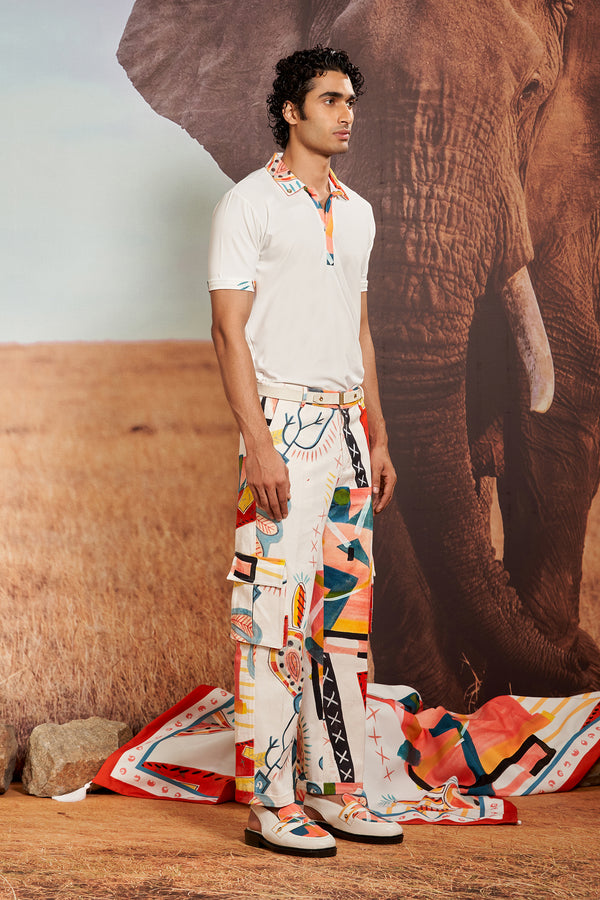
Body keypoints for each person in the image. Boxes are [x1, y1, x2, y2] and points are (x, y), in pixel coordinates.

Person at [208, 46, 402, 857]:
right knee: (272, 620)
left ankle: (339, 789)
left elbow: (360, 331)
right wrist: (258, 444)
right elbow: (227, 331)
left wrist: (378, 436)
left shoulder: (358, 212)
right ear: (291, 111)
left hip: (349, 431)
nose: (346, 113)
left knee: (343, 626)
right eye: (329, 99)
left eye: (350, 100)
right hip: (281, 427)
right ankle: (272, 801)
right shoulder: (247, 203)